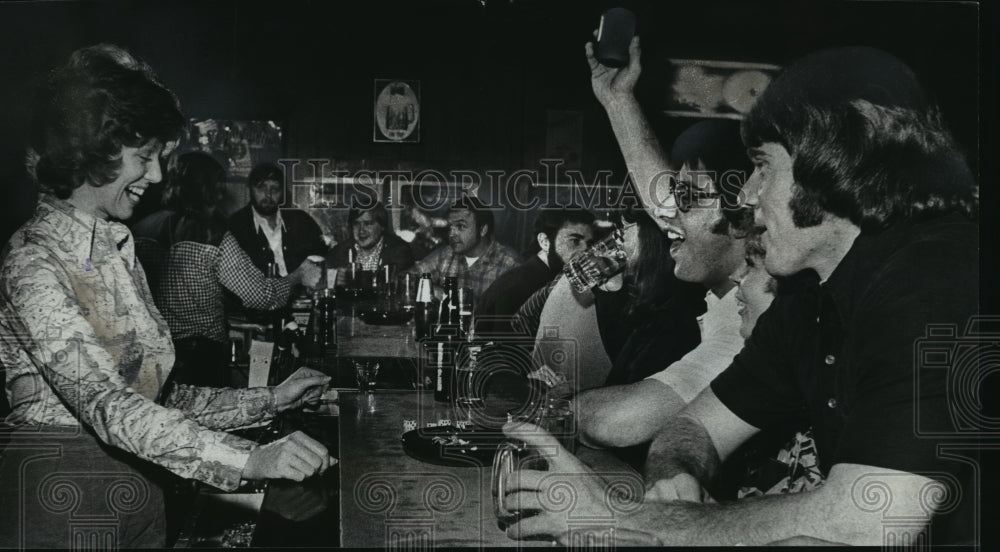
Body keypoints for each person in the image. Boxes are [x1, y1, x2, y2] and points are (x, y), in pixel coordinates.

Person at [500, 42, 977, 547]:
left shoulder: (938, 275)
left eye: (763, 167)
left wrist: (632, 518)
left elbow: (865, 520)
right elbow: (692, 429)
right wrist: (675, 479)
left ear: (835, 164)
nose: (747, 195)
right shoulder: (807, 302)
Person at [0, 44, 333, 549]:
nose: (156, 176)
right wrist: (249, 459)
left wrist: (271, 398)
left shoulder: (117, 247)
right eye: (144, 158)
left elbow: (163, 398)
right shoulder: (32, 261)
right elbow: (108, 406)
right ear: (94, 151)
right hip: (61, 507)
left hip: (137, 499)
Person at [573, 117, 752, 449]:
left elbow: (618, 421)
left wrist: (548, 411)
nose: (667, 217)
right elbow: (667, 203)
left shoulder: (751, 316)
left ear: (745, 213)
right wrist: (618, 99)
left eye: (684, 197)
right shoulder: (723, 296)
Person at [132, 152, 322, 387]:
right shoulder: (214, 234)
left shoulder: (140, 229)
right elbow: (262, 297)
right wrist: (298, 275)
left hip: (151, 355)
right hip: (199, 358)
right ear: (212, 189)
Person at [475, 207, 594, 337]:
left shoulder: (555, 279)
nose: (586, 250)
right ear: (544, 242)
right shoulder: (515, 290)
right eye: (575, 241)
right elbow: (505, 353)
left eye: (589, 243)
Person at [228, 162, 327, 276]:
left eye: (275, 189)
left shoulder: (301, 221)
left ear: (282, 192)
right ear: (250, 189)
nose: (268, 194)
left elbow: (324, 254)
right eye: (261, 187)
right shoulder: (236, 225)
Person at [412, 195, 519, 298]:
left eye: (461, 226)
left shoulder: (509, 264)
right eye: (450, 227)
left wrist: (450, 296)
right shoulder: (446, 254)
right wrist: (431, 289)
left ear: (482, 230)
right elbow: (408, 277)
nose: (451, 234)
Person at [327, 200, 415, 273]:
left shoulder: (399, 252)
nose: (361, 230)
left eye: (368, 224)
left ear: (382, 226)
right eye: (356, 224)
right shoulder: (340, 251)